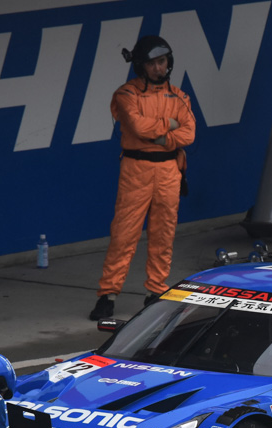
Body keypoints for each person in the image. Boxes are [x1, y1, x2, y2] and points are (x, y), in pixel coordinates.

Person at [89, 35, 196, 321]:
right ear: (140, 65)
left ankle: (156, 291)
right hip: (136, 170)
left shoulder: (180, 96)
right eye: (152, 63)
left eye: (162, 61)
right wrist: (169, 126)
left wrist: (161, 137)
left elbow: (189, 133)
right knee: (124, 234)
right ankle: (107, 295)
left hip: (169, 171)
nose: (158, 68)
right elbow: (136, 127)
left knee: (164, 234)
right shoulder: (126, 94)